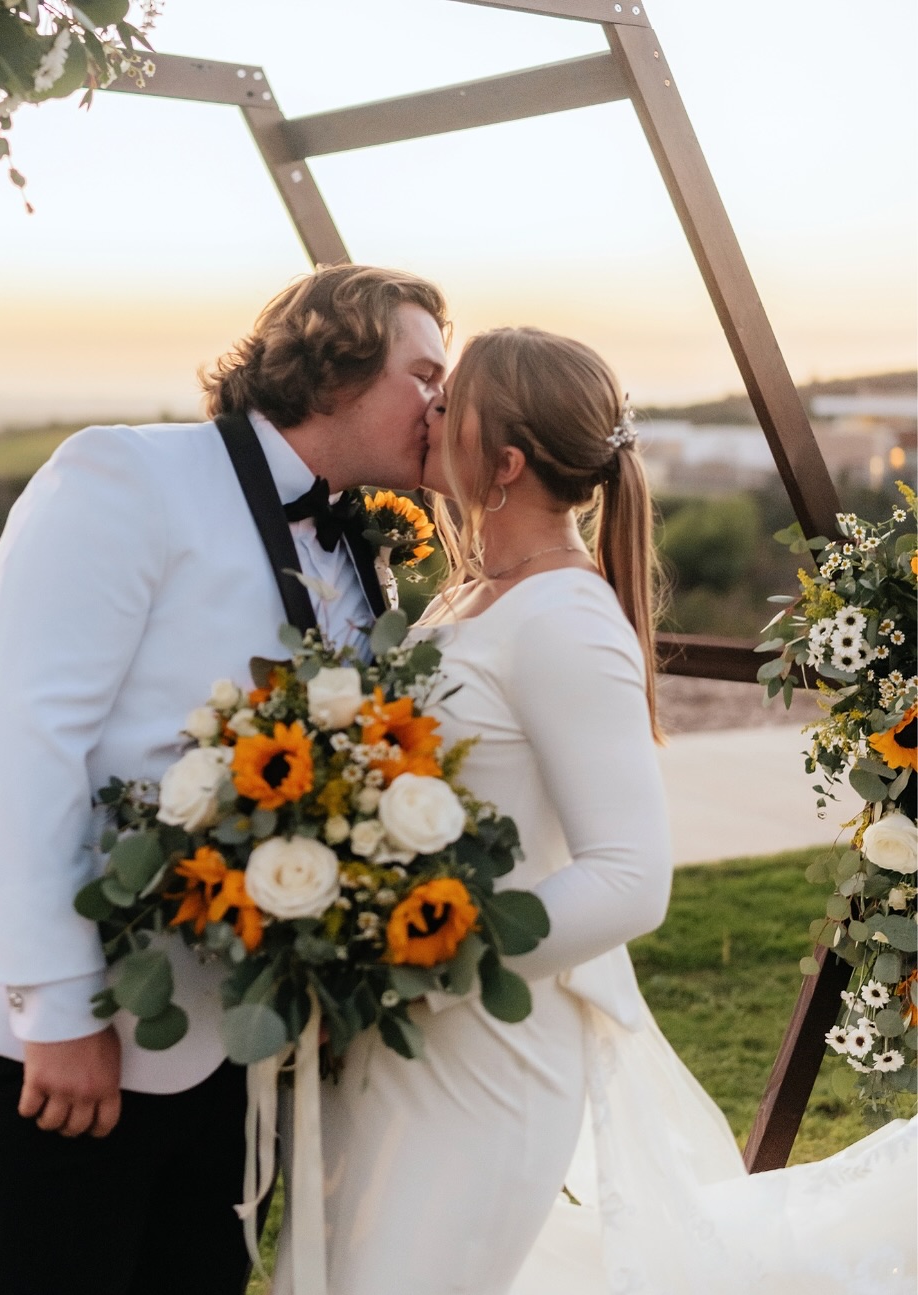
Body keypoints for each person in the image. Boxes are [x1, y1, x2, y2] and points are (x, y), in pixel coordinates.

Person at [274, 327, 917, 1294]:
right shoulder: (473, 599)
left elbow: (627, 882)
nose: (429, 410)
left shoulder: (568, 622)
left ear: (505, 463)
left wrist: (410, 955)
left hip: (482, 1046)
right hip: (400, 1045)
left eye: (453, 401)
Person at [0, 263, 449, 1295]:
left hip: (236, 1042)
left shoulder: (358, 542)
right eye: (425, 375)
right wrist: (58, 1006)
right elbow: (25, 732)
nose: (442, 404)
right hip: (61, 1043)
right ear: (336, 367)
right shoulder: (121, 475)